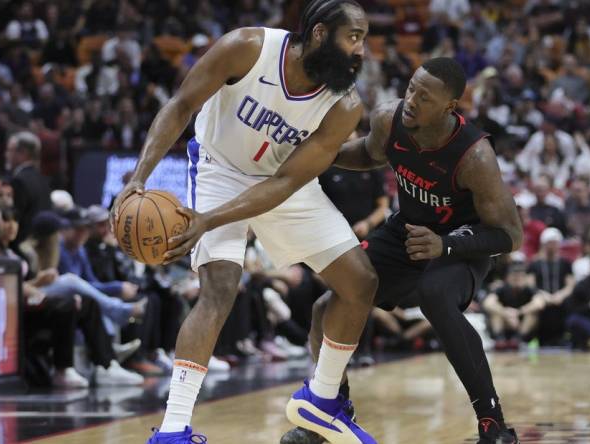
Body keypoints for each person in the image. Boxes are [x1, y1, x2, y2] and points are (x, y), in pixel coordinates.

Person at [110, 2, 378, 443]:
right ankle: (173, 430)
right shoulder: (247, 48)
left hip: (280, 182)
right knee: (219, 290)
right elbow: (180, 107)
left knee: (359, 283)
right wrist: (138, 179)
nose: (361, 51)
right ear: (318, 33)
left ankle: (323, 399)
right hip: (219, 167)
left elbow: (289, 181)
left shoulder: (343, 107)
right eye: (354, 38)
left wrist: (208, 220)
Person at [281, 58, 523, 444]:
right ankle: (329, 410)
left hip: (462, 245)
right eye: (411, 88)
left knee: (435, 294)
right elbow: (371, 153)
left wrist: (445, 244)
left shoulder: (474, 157)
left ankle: (493, 425)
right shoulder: (389, 118)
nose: (411, 100)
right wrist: (324, 152)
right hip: (405, 232)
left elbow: (511, 235)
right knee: (325, 309)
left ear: (449, 107)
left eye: (424, 98)